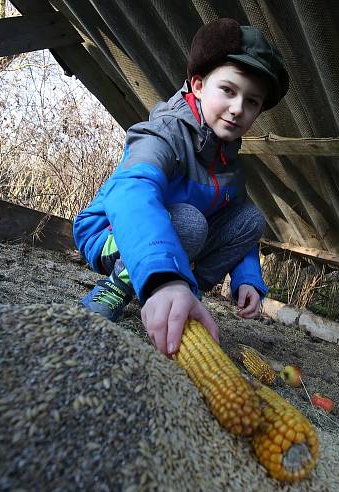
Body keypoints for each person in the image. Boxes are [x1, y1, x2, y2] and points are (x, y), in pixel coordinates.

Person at [73, 18, 289, 356]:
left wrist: (247, 277)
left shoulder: (229, 160)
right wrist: (165, 278)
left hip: (177, 237)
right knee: (189, 222)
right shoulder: (166, 132)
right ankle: (121, 286)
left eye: (252, 102)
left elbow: (235, 222)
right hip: (109, 233)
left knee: (249, 218)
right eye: (228, 91)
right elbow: (131, 193)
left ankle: (184, 297)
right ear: (199, 85)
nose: (237, 109)